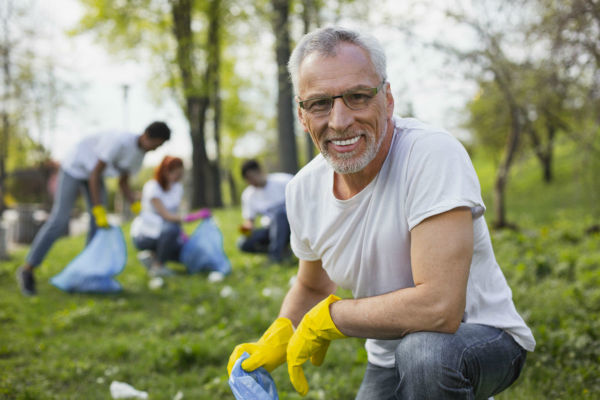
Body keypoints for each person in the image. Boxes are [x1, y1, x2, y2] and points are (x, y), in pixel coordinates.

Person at [228, 27, 535, 399]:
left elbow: (440, 309)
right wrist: (279, 334)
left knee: (424, 352)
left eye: (357, 97)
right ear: (302, 115)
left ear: (387, 99)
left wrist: (333, 318)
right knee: (411, 353)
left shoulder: (430, 154)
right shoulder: (303, 190)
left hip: (482, 338)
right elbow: (312, 284)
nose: (339, 121)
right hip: (387, 357)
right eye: (320, 103)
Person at [16, 121, 171, 295]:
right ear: (147, 135)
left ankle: (86, 273)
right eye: (157, 144)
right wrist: (98, 210)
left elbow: (123, 181)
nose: (156, 149)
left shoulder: (139, 155)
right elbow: (95, 174)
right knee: (59, 220)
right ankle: (27, 270)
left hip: (94, 175)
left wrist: (135, 205)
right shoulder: (120, 141)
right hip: (74, 168)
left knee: (97, 226)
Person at [237, 159, 293, 263]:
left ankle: (275, 257)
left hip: (292, 226)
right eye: (247, 179)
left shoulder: (284, 181)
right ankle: (282, 250)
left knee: (279, 213)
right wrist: (247, 228)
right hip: (270, 229)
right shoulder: (248, 195)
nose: (251, 181)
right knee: (242, 243)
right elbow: (250, 220)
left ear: (259, 171)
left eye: (252, 177)